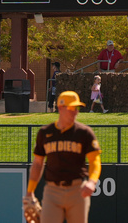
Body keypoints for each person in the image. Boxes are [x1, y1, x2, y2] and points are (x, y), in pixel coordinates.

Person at [24, 91, 102, 223]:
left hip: (77, 191)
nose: (75, 112)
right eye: (71, 108)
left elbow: (95, 161)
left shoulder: (84, 133)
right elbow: (37, 163)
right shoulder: (46, 133)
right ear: (60, 108)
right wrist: (30, 191)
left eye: (76, 108)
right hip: (52, 191)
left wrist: (92, 181)